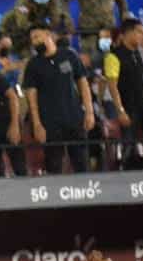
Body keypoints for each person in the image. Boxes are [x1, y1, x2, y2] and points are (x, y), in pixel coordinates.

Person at [23, 24, 94, 174]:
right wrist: (37, 125)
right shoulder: (33, 65)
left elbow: (83, 84)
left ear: (49, 35)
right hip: (50, 124)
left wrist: (89, 112)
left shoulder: (69, 55)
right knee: (54, 166)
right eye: (32, 39)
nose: (34, 42)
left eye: (37, 37)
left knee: (82, 163)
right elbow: (31, 97)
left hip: (74, 118)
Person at [104, 17, 143, 159]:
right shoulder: (113, 57)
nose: (142, 35)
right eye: (139, 32)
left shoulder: (141, 53)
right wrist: (120, 111)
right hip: (128, 108)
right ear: (127, 33)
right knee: (129, 147)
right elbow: (112, 87)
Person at [0, 0, 70, 56]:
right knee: (26, 55)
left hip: (34, 29)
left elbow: (55, 19)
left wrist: (53, 32)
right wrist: (41, 32)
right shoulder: (23, 1)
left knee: (56, 44)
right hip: (15, 30)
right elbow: (22, 23)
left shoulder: (51, 0)